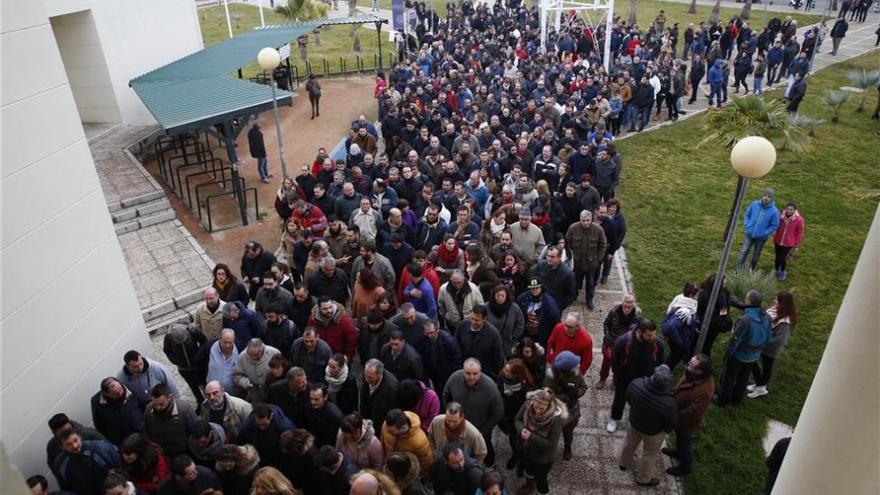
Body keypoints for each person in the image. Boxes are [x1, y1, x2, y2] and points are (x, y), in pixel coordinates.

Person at [619, 364, 677, 487]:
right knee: (649, 455)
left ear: (653, 375)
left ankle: (623, 463)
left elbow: (627, 398)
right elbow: (670, 423)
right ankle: (643, 479)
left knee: (629, 444)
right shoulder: (669, 402)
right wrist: (665, 430)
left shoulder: (636, 384)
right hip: (653, 432)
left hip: (634, 424)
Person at [607, 318, 666, 433]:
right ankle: (614, 418)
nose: (652, 338)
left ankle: (635, 420)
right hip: (625, 380)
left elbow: (660, 362)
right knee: (619, 400)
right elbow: (615, 362)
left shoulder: (657, 343)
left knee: (641, 402)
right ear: (639, 332)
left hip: (646, 381)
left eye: (654, 334)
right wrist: (618, 377)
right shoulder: (623, 342)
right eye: (649, 335)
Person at [442, 358, 504, 467]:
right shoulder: (455, 378)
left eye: (475, 374)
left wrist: (484, 430)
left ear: (480, 371)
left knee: (485, 446)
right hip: (459, 424)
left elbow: (498, 411)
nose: (471, 377)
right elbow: (446, 395)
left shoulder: (490, 387)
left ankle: (490, 465)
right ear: (463, 370)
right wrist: (451, 414)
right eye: (468, 373)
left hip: (481, 427)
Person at [716, 290, 772, 407]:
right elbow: (768, 336)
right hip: (754, 355)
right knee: (743, 378)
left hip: (739, 355)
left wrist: (728, 354)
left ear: (749, 301)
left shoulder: (745, 320)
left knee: (729, 378)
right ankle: (737, 400)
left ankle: (722, 400)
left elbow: (735, 340)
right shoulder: (767, 317)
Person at [665, 354, 715, 477]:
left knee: (684, 440)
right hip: (679, 417)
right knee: (680, 438)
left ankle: (686, 466)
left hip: (686, 422)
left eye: (691, 365)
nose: (687, 366)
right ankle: (679, 453)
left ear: (699, 371)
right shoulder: (693, 375)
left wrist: (673, 414)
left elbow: (693, 411)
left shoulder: (705, 391)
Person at [513, 388, 567, 495]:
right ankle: (529, 485)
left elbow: (550, 443)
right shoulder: (528, 404)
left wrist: (530, 436)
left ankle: (542, 493)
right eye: (536, 406)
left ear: (549, 406)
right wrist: (521, 430)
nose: (537, 410)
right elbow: (517, 419)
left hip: (544, 457)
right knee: (528, 470)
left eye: (541, 408)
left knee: (541, 478)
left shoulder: (555, 419)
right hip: (527, 448)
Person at [748, 291, 797, 399]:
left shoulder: (785, 322)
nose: (774, 301)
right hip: (763, 343)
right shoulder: (775, 310)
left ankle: (761, 388)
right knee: (754, 362)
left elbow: (780, 340)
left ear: (783, 304)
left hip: (770, 348)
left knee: (766, 367)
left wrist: (763, 340)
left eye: (777, 300)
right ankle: (759, 384)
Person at [545, 351, 587, 461]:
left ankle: (567, 447)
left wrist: (577, 393)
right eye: (574, 365)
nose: (577, 366)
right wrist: (565, 396)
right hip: (556, 410)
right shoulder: (551, 376)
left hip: (572, 410)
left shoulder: (576, 372)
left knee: (568, 432)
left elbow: (584, 386)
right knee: (553, 431)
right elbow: (548, 394)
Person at [52, 429, 120, 495]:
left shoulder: (99, 448)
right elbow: (65, 488)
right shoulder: (60, 464)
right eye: (68, 444)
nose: (75, 446)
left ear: (80, 437)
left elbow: (120, 465)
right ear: (62, 447)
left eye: (76, 440)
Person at [565, 210, 608, 310]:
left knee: (590, 283)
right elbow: (567, 242)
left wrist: (598, 259)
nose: (585, 223)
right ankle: (573, 297)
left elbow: (603, 245)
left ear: (591, 219)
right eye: (583, 220)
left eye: (587, 220)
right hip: (577, 262)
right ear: (580, 219)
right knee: (575, 281)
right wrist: (570, 255)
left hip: (591, 263)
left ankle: (589, 300)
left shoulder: (598, 230)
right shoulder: (573, 228)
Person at [144, 384, 198, 459]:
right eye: (155, 404)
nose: (158, 407)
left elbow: (195, 430)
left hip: (185, 454)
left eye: (161, 404)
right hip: (162, 454)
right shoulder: (148, 410)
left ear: (169, 398)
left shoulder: (184, 409)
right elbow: (147, 430)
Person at [598, 295, 640, 389]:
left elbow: (637, 330)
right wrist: (608, 336)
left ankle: (615, 380)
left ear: (633, 306)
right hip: (611, 341)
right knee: (606, 361)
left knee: (621, 363)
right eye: (624, 306)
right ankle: (602, 379)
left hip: (625, 344)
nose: (626, 309)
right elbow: (606, 324)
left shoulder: (636, 316)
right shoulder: (614, 312)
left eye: (629, 307)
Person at [90, 377, 144, 446]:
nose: (121, 394)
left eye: (121, 390)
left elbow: (144, 406)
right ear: (106, 394)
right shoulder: (96, 402)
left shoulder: (132, 388)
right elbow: (99, 425)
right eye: (116, 394)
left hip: (140, 434)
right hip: (120, 441)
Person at [237, 404, 295, 468]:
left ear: (271, 417)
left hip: (279, 460)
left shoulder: (284, 428)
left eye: (264, 424)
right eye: (258, 424)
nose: (261, 428)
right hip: (258, 460)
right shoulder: (246, 428)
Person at [454, 305, 504, 379]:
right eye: (472, 319)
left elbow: (497, 356)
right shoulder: (462, 326)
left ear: (484, 319)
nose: (473, 322)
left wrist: (494, 374)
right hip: (465, 369)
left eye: (477, 320)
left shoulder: (493, 334)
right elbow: (456, 346)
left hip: (484, 373)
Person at [736, 188, 780, 271]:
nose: (766, 198)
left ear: (772, 199)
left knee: (756, 254)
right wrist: (747, 225)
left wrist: (765, 233)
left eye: (769, 197)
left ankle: (751, 269)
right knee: (744, 251)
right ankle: (738, 270)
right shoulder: (754, 204)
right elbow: (747, 215)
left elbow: (774, 226)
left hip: (761, 238)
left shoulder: (774, 211)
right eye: (765, 195)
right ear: (762, 196)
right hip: (749, 234)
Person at [414, 318, 463, 393]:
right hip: (433, 374)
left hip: (446, 375)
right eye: (427, 333)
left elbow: (457, 359)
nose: (429, 335)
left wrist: (449, 373)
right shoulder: (423, 339)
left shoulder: (448, 341)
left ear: (437, 330)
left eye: (431, 332)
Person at [661, 283, 700, 371]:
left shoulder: (680, 300)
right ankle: (663, 374)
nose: (698, 297)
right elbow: (670, 327)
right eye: (697, 295)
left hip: (677, 337)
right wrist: (681, 343)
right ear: (691, 295)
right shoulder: (685, 312)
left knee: (672, 357)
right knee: (673, 359)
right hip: (679, 340)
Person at [308, 297, 357, 363]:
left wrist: (347, 357)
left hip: (338, 359)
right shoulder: (312, 321)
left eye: (330, 307)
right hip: (319, 357)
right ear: (319, 309)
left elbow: (352, 340)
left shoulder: (344, 321)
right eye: (325, 309)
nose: (329, 310)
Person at [527, 245, 577, 311]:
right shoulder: (540, 266)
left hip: (555, 306)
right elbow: (531, 277)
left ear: (559, 257)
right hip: (540, 304)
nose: (549, 259)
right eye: (548, 256)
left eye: (552, 257)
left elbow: (571, 294)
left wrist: (559, 306)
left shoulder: (567, 273)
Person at [233, 338, 281, 404]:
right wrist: (247, 384)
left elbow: (283, 371)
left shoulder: (274, 353)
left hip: (272, 390)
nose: (253, 358)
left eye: (256, 355)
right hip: (254, 392)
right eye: (250, 355)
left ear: (262, 349)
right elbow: (236, 375)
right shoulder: (242, 357)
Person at [516, 278, 561, 347]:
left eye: (537, 288)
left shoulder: (549, 302)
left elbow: (555, 319)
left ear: (541, 288)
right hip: (526, 333)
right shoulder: (522, 298)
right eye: (532, 288)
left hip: (542, 335)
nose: (534, 291)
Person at [360, 359, 400, 428]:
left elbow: (391, 413)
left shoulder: (392, 389)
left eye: (370, 378)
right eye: (365, 375)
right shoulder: (368, 374)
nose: (366, 380)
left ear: (379, 375)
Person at [156, 455, 222, 495]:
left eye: (195, 468)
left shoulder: (207, 476)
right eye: (191, 473)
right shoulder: (164, 489)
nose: (197, 472)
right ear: (178, 477)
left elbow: (219, 492)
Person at [773, 202, 805, 281]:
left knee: (782, 258)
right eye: (787, 209)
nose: (789, 211)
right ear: (785, 208)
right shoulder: (780, 216)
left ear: (794, 210)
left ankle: (782, 272)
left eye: (791, 210)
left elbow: (800, 232)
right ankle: (776, 270)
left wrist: (796, 244)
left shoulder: (799, 219)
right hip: (778, 240)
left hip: (789, 243)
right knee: (777, 257)